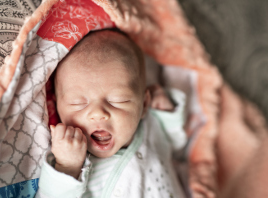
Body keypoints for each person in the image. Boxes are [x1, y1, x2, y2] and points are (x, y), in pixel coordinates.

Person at [36, 29, 187, 198]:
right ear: (57, 106)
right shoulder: (76, 166)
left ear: (144, 104)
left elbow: (176, 144)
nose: (98, 113)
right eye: (77, 103)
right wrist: (67, 168)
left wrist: (165, 113)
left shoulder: (152, 125)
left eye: (118, 100)